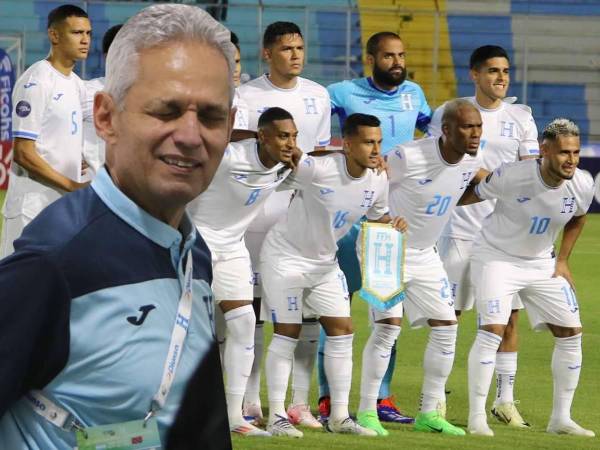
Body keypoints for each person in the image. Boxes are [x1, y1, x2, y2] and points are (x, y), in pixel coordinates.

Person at [0, 4, 236, 449]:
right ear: (106, 118)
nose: (190, 135)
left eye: (210, 116)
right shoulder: (53, 262)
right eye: (166, 111)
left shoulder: (193, 251)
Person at [260, 113, 406, 437]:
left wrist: (392, 223)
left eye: (379, 142)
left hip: (325, 263)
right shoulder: (320, 169)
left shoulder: (378, 178)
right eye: (369, 142)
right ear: (348, 144)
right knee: (287, 332)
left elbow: (378, 216)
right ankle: (277, 417)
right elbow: (288, 167)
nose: (376, 150)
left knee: (342, 330)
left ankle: (340, 417)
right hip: (286, 257)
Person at [319, 30, 432, 425]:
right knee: (338, 303)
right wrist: (338, 153)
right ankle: (327, 397)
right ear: (370, 59)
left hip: (391, 218)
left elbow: (433, 137)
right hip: (352, 215)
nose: (397, 62)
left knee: (388, 306)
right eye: (388, 56)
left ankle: (382, 398)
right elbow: (315, 126)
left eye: (401, 55)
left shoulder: (414, 94)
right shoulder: (342, 92)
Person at [355, 99, 483, 437]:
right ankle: (367, 410)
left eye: (479, 127)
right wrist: (382, 218)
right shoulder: (408, 156)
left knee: (446, 326)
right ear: (446, 130)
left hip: (425, 253)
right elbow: (370, 182)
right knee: (387, 328)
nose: (475, 134)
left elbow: (459, 192)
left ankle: (430, 412)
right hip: (385, 245)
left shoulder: (473, 161)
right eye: (468, 127)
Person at [429, 45, 540, 428]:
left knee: (507, 320)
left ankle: (504, 400)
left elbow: (531, 171)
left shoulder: (520, 116)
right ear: (474, 74)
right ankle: (435, 401)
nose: (501, 77)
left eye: (505, 71)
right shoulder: (450, 112)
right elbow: (441, 161)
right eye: (493, 71)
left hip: (505, 236)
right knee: (449, 317)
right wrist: (490, 180)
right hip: (460, 229)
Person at [463, 118, 595, 438]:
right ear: (545, 150)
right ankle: (476, 417)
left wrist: (562, 260)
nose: (572, 160)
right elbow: (475, 192)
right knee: (492, 330)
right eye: (565, 152)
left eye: (576, 153)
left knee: (571, 332)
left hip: (541, 264)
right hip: (497, 258)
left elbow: (578, 217)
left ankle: (560, 419)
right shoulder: (513, 175)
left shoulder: (582, 182)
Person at [235, 21, 331, 428]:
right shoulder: (246, 95)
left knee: (304, 310)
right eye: (287, 48)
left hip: (301, 216)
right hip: (256, 214)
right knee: (253, 308)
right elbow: (238, 151)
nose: (295, 54)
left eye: (299, 47)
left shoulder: (318, 95)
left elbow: (323, 155)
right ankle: (250, 400)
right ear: (268, 54)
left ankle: (299, 403)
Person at [187, 107, 301, 437]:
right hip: (198, 240)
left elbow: (332, 167)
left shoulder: (288, 166)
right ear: (261, 136)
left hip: (233, 248)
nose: (290, 143)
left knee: (245, 323)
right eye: (283, 136)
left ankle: (233, 416)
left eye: (294, 136)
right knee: (189, 329)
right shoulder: (229, 157)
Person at [0, 4, 91, 258]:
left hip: (60, 207)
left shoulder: (75, 84)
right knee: (17, 287)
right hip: (31, 207)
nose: (85, 40)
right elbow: (23, 153)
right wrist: (73, 185)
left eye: (88, 33)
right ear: (54, 35)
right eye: (76, 33)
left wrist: (74, 157)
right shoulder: (37, 81)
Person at [81, 24, 122, 181]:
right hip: (91, 191)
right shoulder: (86, 91)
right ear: (107, 57)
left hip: (134, 194)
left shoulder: (149, 96)